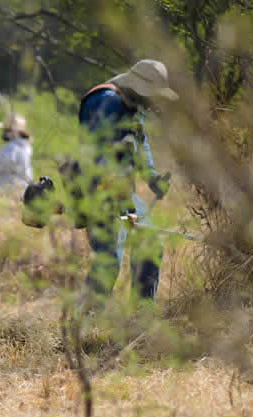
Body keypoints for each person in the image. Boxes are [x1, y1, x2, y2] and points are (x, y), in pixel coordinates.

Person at [76, 59, 176, 302]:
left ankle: (140, 319)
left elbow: (139, 145)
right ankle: (86, 325)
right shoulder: (106, 102)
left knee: (150, 244)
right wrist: (123, 210)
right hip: (98, 192)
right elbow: (99, 157)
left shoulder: (133, 105)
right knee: (110, 257)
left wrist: (152, 178)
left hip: (121, 193)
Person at [0, 113, 33, 191]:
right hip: (21, 190)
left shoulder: (12, 147)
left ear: (14, 131)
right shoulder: (25, 147)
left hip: (9, 192)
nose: (4, 133)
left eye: (6, 130)